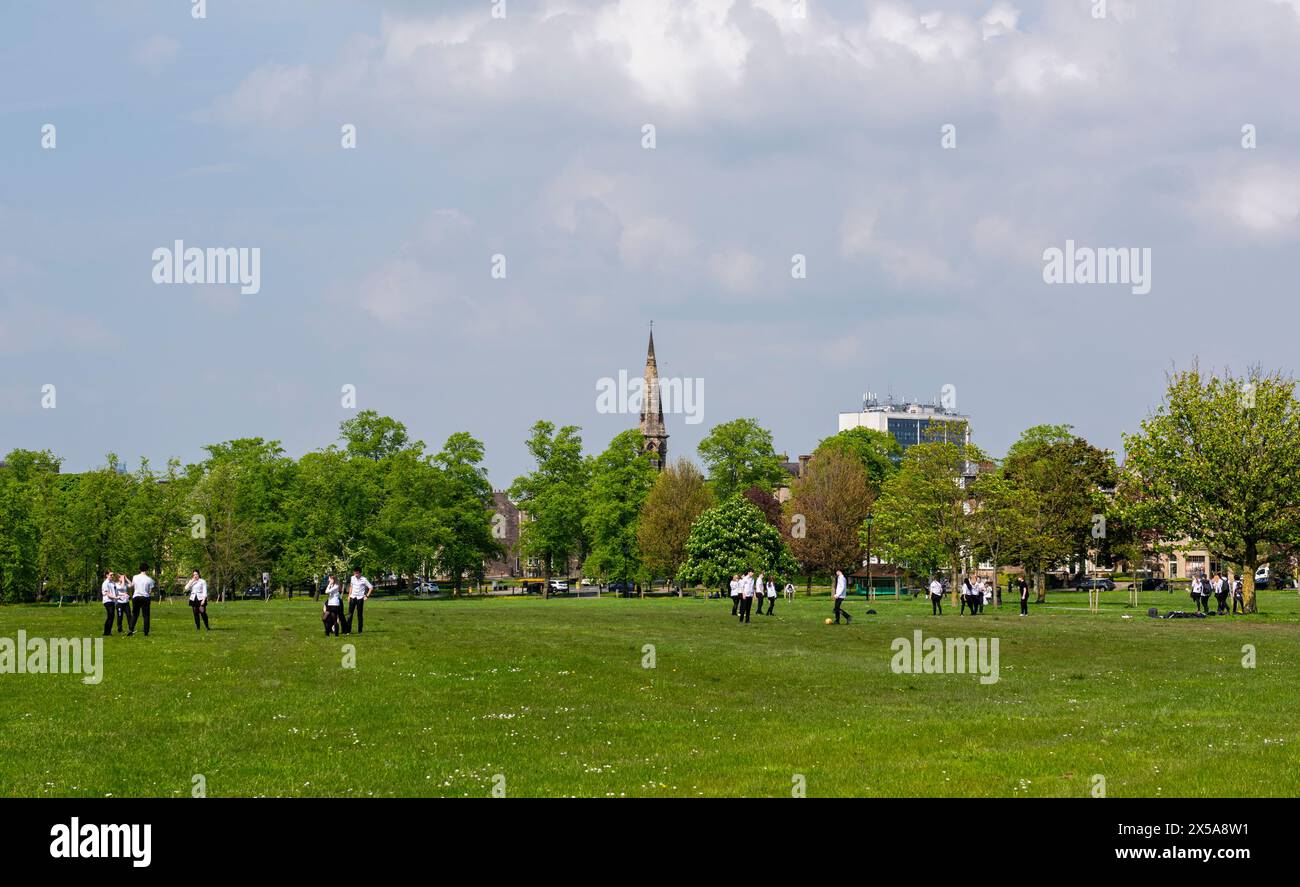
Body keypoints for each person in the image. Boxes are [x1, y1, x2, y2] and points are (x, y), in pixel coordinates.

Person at [129, 564, 155, 636]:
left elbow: (133, 586)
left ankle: (131, 629)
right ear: (147, 570)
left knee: (135, 614)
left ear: (140, 569)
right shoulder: (150, 579)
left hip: (136, 597)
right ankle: (146, 632)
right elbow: (150, 591)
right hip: (145, 597)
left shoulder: (135, 577)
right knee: (146, 615)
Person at [345, 568, 373, 634]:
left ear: (360, 573)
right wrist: (349, 596)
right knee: (349, 614)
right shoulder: (352, 578)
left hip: (360, 598)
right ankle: (348, 630)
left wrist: (367, 596)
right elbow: (351, 587)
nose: (355, 574)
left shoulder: (364, 579)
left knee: (359, 615)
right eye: (354, 573)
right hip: (352, 597)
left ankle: (360, 631)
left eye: (357, 573)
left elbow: (371, 587)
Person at [101, 571, 117, 636]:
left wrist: (122, 595)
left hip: (112, 601)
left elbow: (116, 592)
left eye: (113, 575)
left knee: (111, 616)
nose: (112, 576)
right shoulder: (105, 583)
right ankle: (107, 632)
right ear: (107, 575)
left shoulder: (113, 583)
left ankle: (107, 632)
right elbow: (108, 594)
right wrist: (115, 598)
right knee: (110, 615)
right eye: (111, 575)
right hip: (107, 601)